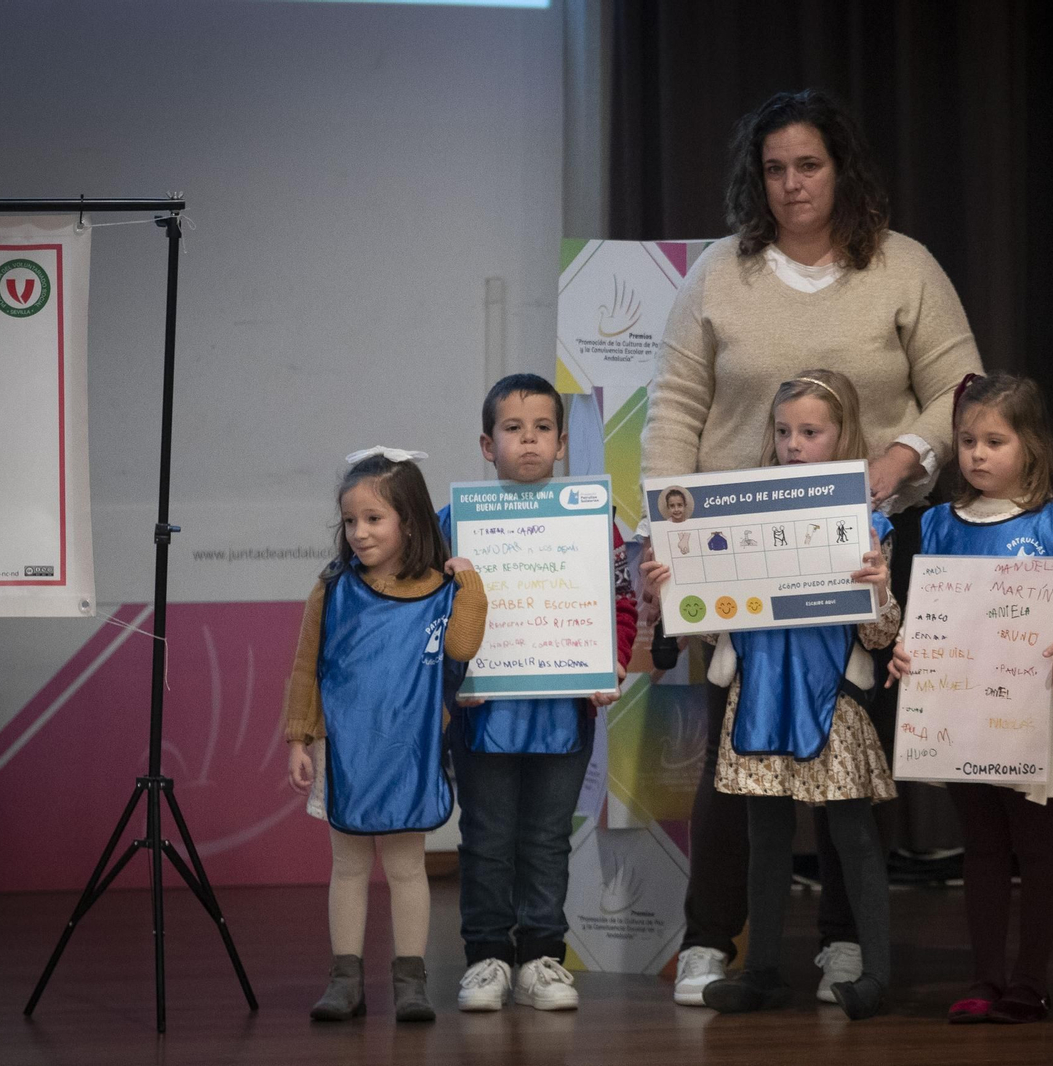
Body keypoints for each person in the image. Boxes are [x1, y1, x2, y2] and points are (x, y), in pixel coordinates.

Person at [641, 87, 983, 1006]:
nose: (792, 185)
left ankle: (842, 943)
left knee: (846, 750)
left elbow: (963, 383)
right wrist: (663, 529)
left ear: (842, 171)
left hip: (857, 549)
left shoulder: (903, 267)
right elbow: (674, 408)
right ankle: (715, 940)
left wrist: (904, 455)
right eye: (775, 169)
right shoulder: (719, 272)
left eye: (809, 165)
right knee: (732, 753)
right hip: (731, 556)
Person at [644, 370, 900, 1020]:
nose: (794, 444)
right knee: (764, 835)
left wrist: (876, 586)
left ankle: (874, 971)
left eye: (810, 432)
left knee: (852, 834)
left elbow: (881, 633)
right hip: (757, 694)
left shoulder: (867, 524)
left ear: (842, 438)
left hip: (832, 699)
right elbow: (709, 619)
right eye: (784, 431)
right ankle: (760, 971)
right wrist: (673, 587)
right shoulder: (736, 516)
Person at [887, 372, 1053, 1024]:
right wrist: (907, 647)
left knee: (1037, 846)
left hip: (1028, 716)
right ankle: (984, 979)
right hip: (959, 717)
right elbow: (927, 614)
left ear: (1032, 445)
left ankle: (1031, 980)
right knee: (983, 849)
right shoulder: (937, 524)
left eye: (994, 440)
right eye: (967, 440)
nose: (977, 454)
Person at [439, 374, 638, 1013]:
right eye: (513, 428)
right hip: (481, 711)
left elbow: (621, 601)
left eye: (543, 429)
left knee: (549, 835)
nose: (528, 441)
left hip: (563, 708)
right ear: (486, 443)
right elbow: (430, 616)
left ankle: (542, 958)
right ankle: (487, 958)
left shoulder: (590, 519)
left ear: (561, 445)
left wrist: (610, 660)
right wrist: (452, 680)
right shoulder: (454, 524)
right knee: (488, 835)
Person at [283, 448, 489, 1022]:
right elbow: (306, 666)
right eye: (351, 521)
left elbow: (463, 648)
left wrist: (468, 582)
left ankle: (411, 983)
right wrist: (299, 737)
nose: (359, 533)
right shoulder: (332, 588)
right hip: (344, 751)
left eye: (374, 519)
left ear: (411, 521)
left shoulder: (440, 592)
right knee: (348, 867)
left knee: (406, 869)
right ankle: (345, 979)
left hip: (409, 750)